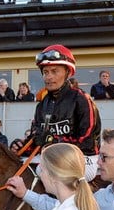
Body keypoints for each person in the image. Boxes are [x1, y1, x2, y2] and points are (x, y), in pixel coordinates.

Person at [13, 44, 101, 181]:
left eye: (54, 71)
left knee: (43, 170)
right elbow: (37, 139)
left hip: (84, 158)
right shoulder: (41, 106)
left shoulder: (81, 99)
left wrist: (54, 141)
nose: (48, 77)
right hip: (51, 156)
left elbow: (87, 141)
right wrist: (22, 146)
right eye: (46, 72)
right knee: (14, 166)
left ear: (67, 72)